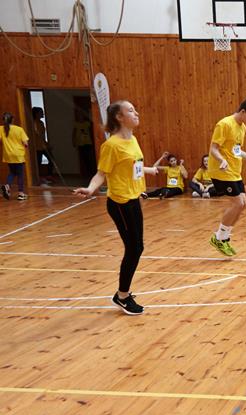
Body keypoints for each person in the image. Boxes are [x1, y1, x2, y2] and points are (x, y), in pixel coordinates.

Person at [73, 100, 158, 315]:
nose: (136, 113)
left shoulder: (133, 140)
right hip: (120, 203)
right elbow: (102, 173)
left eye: (135, 109)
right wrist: (90, 189)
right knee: (134, 248)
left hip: (133, 199)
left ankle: (123, 294)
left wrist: (145, 177)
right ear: (119, 117)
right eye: (130, 110)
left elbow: (132, 167)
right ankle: (122, 296)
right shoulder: (111, 145)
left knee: (137, 247)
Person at [207, 99, 246, 257]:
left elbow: (236, 151)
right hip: (221, 171)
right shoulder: (224, 124)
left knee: (243, 203)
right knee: (238, 203)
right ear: (243, 111)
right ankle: (219, 237)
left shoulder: (242, 127)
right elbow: (213, 149)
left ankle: (223, 238)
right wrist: (222, 160)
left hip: (234, 171)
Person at [1, 112, 30, 201]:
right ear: (12, 119)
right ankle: (21, 194)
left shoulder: (1, 129)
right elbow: (26, 143)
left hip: (8, 154)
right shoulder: (19, 129)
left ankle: (7, 186)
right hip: (18, 155)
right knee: (20, 174)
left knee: (12, 172)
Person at [32, 107, 56, 186]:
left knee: (51, 159)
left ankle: (49, 175)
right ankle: (39, 178)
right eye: (41, 112)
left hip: (43, 146)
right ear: (36, 114)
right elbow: (37, 134)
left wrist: (47, 144)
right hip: (37, 147)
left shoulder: (41, 123)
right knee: (38, 163)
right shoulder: (33, 123)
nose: (43, 113)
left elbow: (42, 136)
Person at [72, 109, 96, 181]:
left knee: (90, 158)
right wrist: (73, 142)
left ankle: (92, 173)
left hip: (88, 142)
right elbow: (73, 134)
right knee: (84, 159)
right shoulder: (76, 124)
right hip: (80, 143)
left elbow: (91, 131)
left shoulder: (87, 123)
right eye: (79, 115)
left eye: (81, 115)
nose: (80, 117)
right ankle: (87, 173)